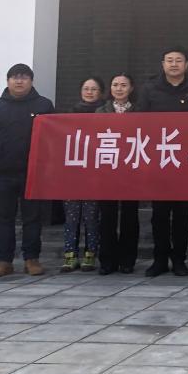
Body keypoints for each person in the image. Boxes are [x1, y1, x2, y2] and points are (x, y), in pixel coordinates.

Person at [0, 63, 55, 278]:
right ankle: (4, 261)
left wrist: (49, 170)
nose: (19, 81)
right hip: (2, 173)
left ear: (31, 81)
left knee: (33, 218)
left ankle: (32, 259)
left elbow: (52, 140)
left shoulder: (44, 105)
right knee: (3, 219)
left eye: (24, 77)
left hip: (34, 174)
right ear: (8, 81)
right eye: (15, 77)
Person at [136, 46, 188, 277]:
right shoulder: (149, 89)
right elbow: (139, 123)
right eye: (169, 60)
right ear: (163, 64)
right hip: (159, 160)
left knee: (182, 214)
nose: (174, 64)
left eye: (178, 60)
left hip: (186, 161)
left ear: (187, 64)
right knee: (159, 214)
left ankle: (179, 259)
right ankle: (159, 260)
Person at [60, 76, 106, 273]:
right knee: (71, 216)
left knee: (91, 216)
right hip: (73, 171)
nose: (89, 92)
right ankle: (70, 255)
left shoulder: (105, 113)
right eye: (86, 88)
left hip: (95, 172)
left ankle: (90, 254)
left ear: (101, 92)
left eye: (94, 89)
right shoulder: (70, 114)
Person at [96, 72, 140, 275]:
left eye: (123, 85)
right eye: (115, 85)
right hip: (107, 170)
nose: (119, 88)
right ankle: (107, 260)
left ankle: (127, 260)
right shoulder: (100, 111)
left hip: (131, 169)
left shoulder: (140, 112)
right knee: (107, 216)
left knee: (130, 216)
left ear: (131, 88)